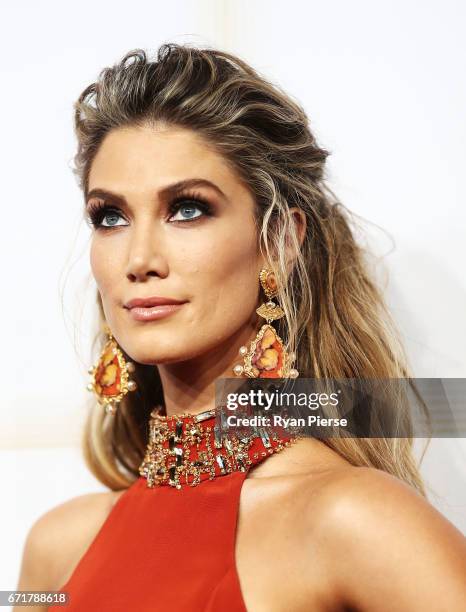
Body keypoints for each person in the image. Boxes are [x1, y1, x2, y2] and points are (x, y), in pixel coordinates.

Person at [15, 43, 466, 611]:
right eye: (111, 217)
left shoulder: (354, 522)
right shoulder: (56, 550)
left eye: (187, 208)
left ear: (278, 243)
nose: (139, 258)